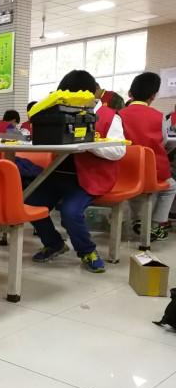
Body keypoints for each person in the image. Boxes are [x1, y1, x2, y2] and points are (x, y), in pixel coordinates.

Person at [27, 70, 126, 273]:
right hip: (59, 174)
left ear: (92, 94)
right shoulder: (60, 114)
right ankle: (54, 243)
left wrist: (88, 142)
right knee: (29, 201)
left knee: (70, 211)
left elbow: (119, 151)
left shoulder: (109, 117)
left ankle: (87, 251)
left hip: (90, 178)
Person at [120, 72, 176, 241]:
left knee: (136, 189)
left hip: (125, 170)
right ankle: (155, 224)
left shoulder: (119, 115)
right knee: (170, 186)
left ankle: (138, 220)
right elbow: (164, 141)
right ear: (153, 95)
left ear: (130, 93)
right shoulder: (159, 116)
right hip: (152, 171)